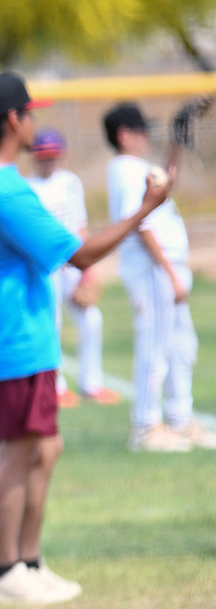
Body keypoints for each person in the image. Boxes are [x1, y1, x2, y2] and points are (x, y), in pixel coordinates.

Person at [0, 73, 173, 605]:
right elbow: (80, 254)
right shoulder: (1, 188)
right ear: (13, 121)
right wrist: (145, 210)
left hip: (22, 338)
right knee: (18, 456)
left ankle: (29, 563)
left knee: (45, 449)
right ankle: (5, 571)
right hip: (15, 341)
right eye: (28, 112)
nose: (34, 120)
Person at [103, 103, 216, 452]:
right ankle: (146, 426)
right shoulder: (124, 168)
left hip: (165, 266)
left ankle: (180, 420)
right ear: (124, 134)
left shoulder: (138, 167)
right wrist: (169, 271)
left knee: (182, 346)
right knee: (155, 346)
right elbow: (139, 221)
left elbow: (166, 184)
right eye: (140, 130)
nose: (145, 135)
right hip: (152, 267)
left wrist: (176, 143)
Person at [26, 128, 120, 408]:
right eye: (44, 156)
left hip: (73, 261)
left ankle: (92, 383)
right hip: (47, 266)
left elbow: (79, 224)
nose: (49, 162)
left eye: (54, 156)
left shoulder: (70, 182)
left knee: (92, 320)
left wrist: (87, 268)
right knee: (50, 323)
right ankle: (56, 386)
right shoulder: (28, 186)